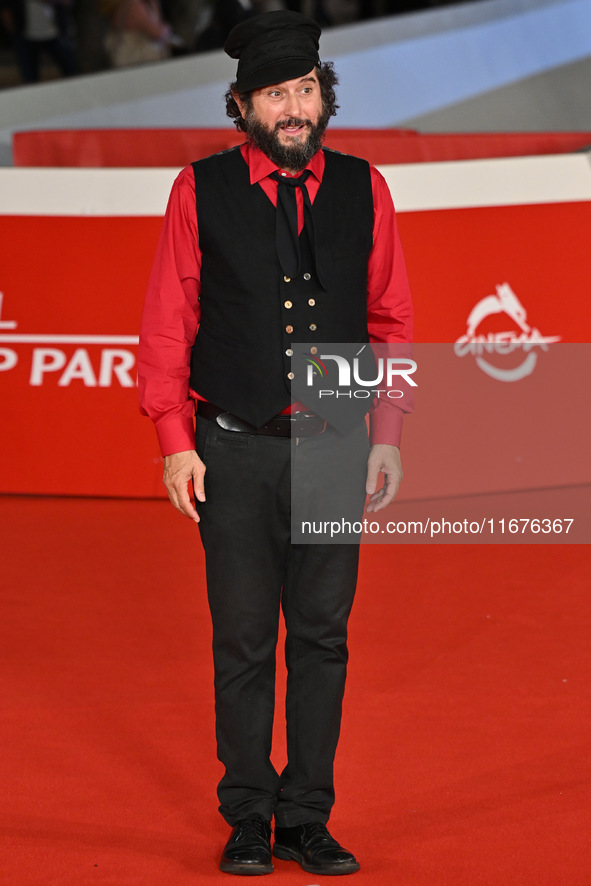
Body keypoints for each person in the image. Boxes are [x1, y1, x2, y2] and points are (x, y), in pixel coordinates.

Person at [138, 10, 413, 876]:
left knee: (323, 640)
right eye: (273, 95)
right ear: (242, 106)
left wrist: (388, 434)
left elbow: (391, 321)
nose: (292, 109)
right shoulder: (198, 189)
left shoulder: (366, 188)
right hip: (236, 447)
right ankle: (248, 815)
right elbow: (166, 324)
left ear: (322, 97)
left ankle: (307, 815)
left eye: (304, 92)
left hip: (335, 450)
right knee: (245, 641)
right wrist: (175, 440)